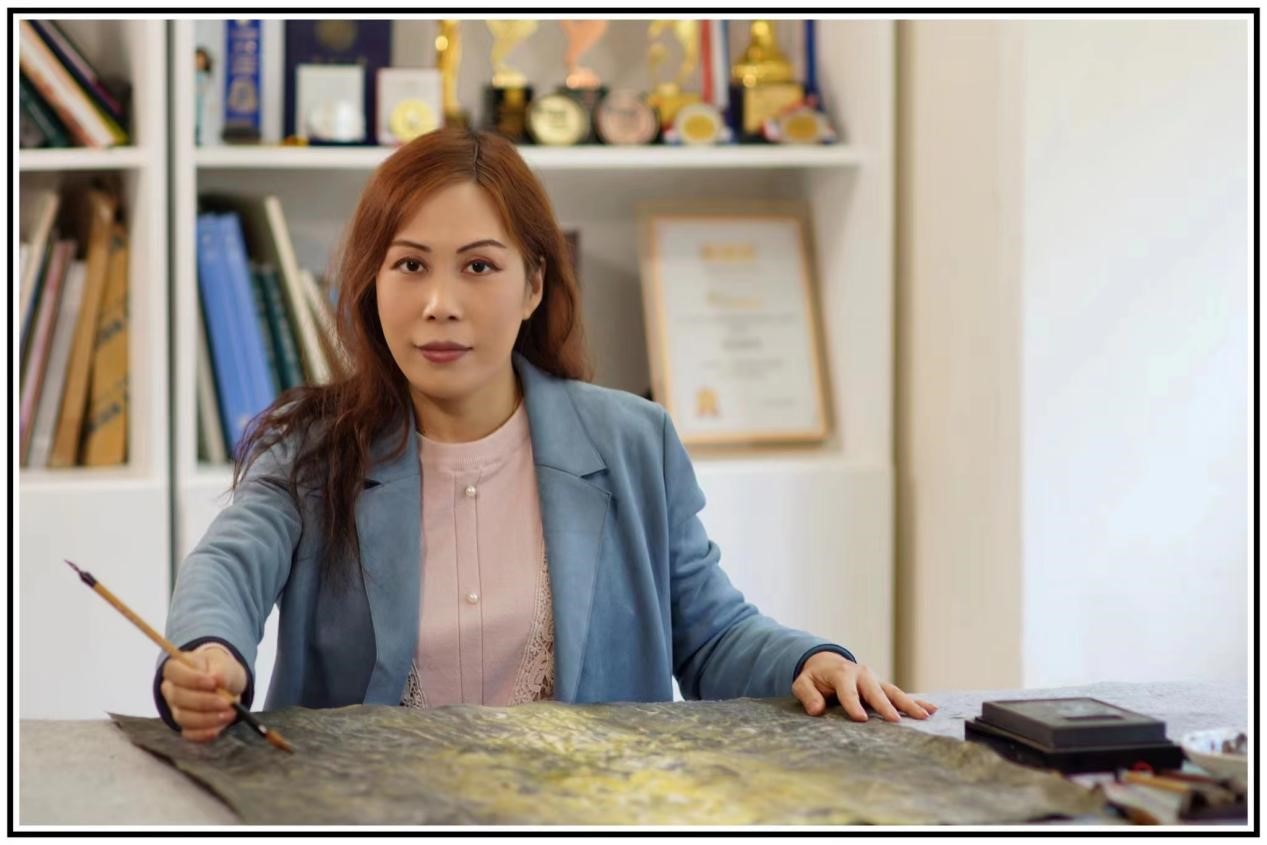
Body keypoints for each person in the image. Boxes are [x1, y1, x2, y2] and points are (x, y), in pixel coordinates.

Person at [155, 127, 937, 744]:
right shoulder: (312, 447)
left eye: (478, 267)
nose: (438, 303)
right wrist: (209, 650)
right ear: (370, 281)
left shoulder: (632, 441)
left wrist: (810, 661)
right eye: (410, 265)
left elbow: (711, 633)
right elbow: (230, 562)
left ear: (533, 282)